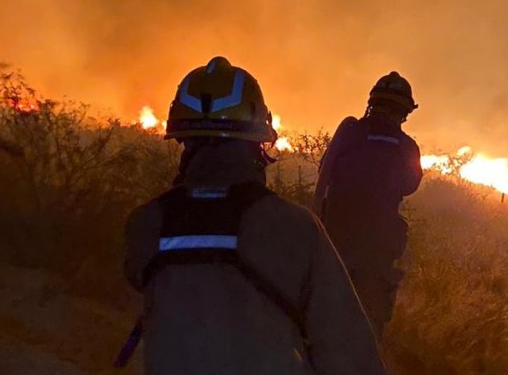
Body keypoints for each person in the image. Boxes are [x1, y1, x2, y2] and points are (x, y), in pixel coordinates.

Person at [122, 56, 387, 375]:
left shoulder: (145, 224)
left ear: (182, 140)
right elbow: (347, 351)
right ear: (258, 142)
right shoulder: (294, 228)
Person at [313, 71, 423, 337]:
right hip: (377, 252)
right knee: (368, 327)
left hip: (334, 241)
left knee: (322, 319)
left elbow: (324, 173)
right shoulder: (407, 146)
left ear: (372, 102)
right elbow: (410, 185)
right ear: (405, 112)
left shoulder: (350, 132)